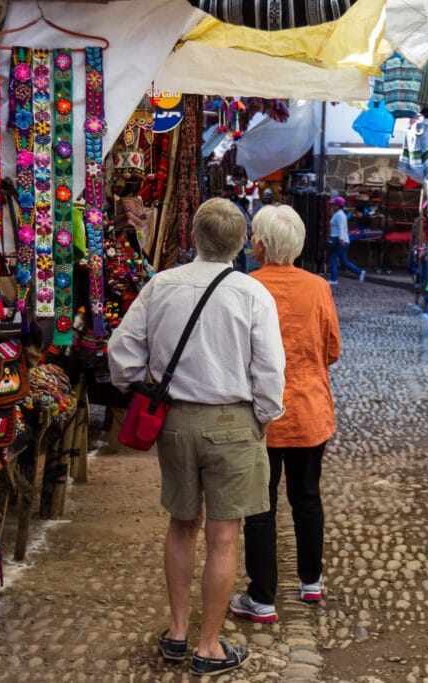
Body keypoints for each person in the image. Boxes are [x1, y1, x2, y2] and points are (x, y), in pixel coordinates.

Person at [108, 197, 286, 677]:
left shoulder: (160, 286)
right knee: (224, 536)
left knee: (182, 524)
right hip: (233, 422)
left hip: (176, 422)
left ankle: (178, 632)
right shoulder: (252, 294)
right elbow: (269, 370)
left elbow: (120, 353)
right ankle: (209, 647)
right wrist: (265, 417)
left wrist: (140, 383)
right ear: (243, 242)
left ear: (192, 237)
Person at [230, 205, 341, 624]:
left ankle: (262, 596)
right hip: (309, 411)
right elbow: (332, 349)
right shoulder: (318, 288)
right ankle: (310, 581)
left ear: (259, 244)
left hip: (258, 414)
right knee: (307, 496)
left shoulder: (245, 286)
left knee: (260, 504)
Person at [327, 196, 364, 284]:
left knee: (332, 258)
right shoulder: (340, 214)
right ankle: (359, 272)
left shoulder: (339, 215)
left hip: (339, 240)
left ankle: (333, 279)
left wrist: (341, 239)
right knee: (343, 261)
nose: (332, 206)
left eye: (334, 204)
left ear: (337, 205)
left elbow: (341, 228)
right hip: (342, 240)